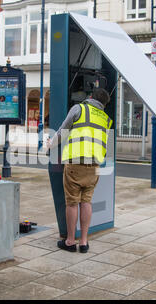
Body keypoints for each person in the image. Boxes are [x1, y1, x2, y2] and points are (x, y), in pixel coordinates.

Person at [47, 88, 112, 253]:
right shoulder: (106, 119)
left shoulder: (79, 109)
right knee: (86, 201)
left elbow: (63, 130)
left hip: (75, 163)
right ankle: (83, 242)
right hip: (94, 165)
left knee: (72, 202)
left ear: (90, 97)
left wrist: (50, 145)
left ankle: (70, 241)